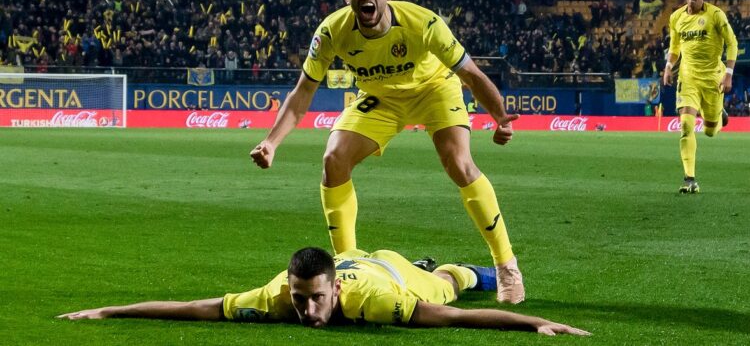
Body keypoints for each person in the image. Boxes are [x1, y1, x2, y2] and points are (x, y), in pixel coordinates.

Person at [250, 0, 524, 303]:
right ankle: (347, 266)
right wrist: (272, 142)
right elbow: (303, 93)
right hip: (380, 97)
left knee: (459, 163)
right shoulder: (331, 32)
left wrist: (500, 117)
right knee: (334, 159)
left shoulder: (423, 23)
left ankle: (506, 265)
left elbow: (470, 74)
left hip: (434, 89)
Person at [57, 247, 590, 337]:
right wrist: (108, 309)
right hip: (349, 262)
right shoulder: (272, 298)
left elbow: (454, 322)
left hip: (391, 271)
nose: (307, 309)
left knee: (449, 287)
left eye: (316, 298)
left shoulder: (377, 304)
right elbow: (197, 308)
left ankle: (468, 268)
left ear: (332, 289)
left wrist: (533, 322)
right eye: (299, 298)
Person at [662, 0, 737, 193]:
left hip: (714, 77)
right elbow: (674, 46)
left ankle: (718, 113)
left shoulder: (715, 15)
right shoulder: (676, 17)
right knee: (686, 125)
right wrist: (668, 67)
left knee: (711, 131)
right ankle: (689, 179)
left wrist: (729, 73)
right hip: (688, 78)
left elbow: (732, 43)